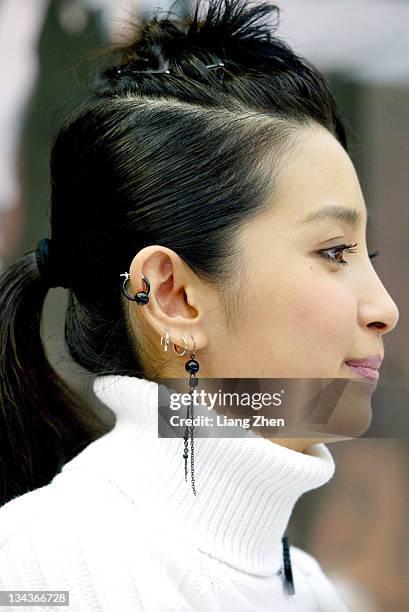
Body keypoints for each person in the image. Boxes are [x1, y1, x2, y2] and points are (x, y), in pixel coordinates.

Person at [0, 0, 399, 610]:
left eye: (367, 255)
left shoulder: (311, 591)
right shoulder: (38, 569)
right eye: (333, 251)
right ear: (172, 296)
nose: (384, 309)